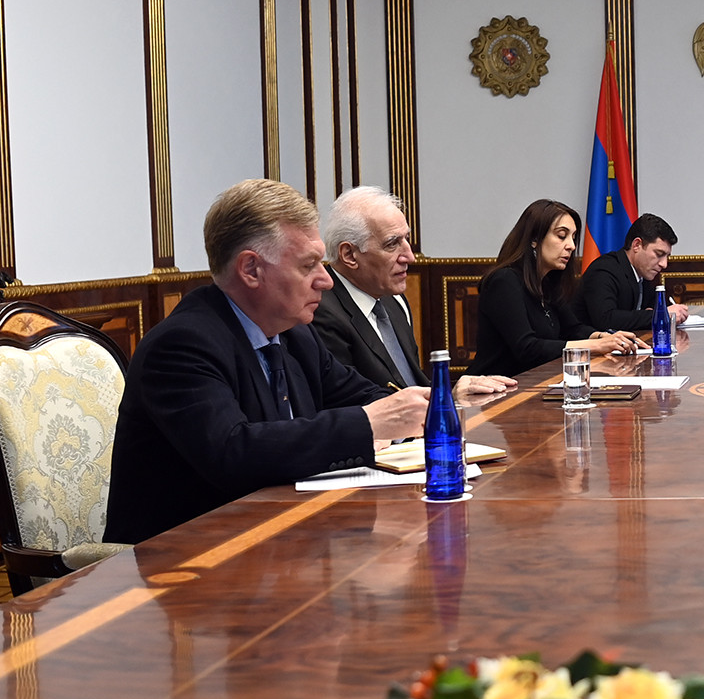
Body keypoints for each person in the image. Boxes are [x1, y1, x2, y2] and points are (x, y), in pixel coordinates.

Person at [105, 180, 430, 544]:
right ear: (251, 269)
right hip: (182, 560)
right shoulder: (182, 345)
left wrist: (424, 406)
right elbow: (233, 453)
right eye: (308, 266)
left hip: (280, 538)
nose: (325, 280)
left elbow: (362, 395)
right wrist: (370, 423)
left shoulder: (295, 334)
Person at [312, 186, 516, 396]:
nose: (410, 257)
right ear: (350, 255)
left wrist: (452, 390)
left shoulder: (394, 301)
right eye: (392, 244)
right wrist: (445, 397)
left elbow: (411, 383)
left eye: (406, 239)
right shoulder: (320, 312)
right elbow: (352, 403)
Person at [469, 199, 641, 377]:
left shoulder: (548, 282)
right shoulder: (504, 281)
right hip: (493, 393)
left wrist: (604, 337)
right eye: (561, 236)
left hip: (537, 384)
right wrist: (596, 346)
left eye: (573, 238)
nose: (572, 246)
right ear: (534, 239)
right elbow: (527, 348)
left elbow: (573, 329)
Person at [578, 213, 688, 333]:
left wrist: (654, 313)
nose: (664, 264)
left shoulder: (643, 273)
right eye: (659, 254)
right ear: (637, 245)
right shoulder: (604, 270)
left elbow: (651, 309)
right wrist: (661, 315)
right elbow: (606, 319)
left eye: (667, 256)